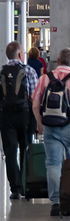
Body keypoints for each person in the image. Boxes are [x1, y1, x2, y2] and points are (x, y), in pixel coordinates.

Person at [32, 47, 70, 216]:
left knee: (53, 163)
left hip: (51, 126)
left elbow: (35, 105)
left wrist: (40, 124)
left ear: (57, 60)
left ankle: (56, 202)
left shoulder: (44, 78)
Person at [0, 41, 38, 199]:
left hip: (5, 116)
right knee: (25, 148)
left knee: (10, 151)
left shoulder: (1, 71)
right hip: (24, 115)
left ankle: (15, 188)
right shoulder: (28, 70)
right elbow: (34, 96)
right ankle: (26, 185)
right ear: (20, 54)